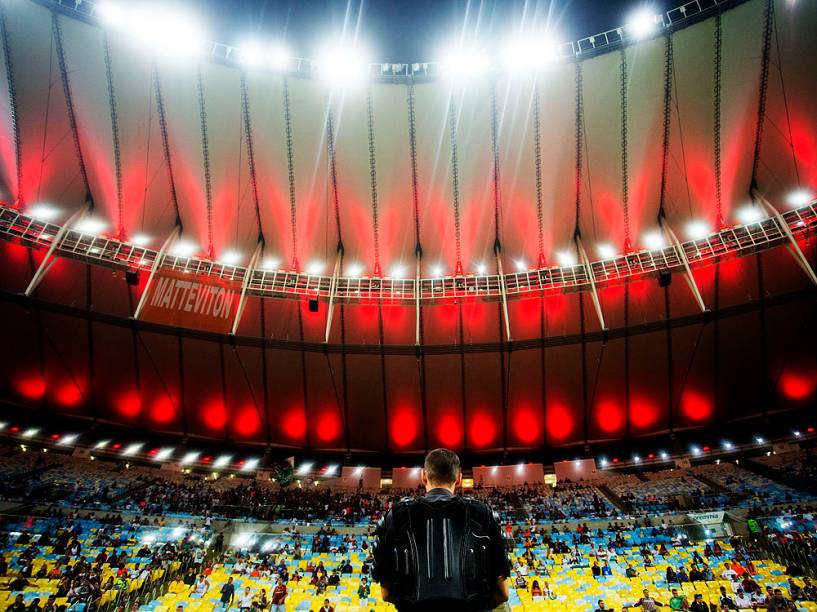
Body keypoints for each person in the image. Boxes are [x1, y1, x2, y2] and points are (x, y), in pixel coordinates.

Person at [373, 448, 511, 611]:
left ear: (423, 476)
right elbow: (503, 594)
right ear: (459, 477)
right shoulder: (482, 513)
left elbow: (386, 594)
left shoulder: (396, 515)